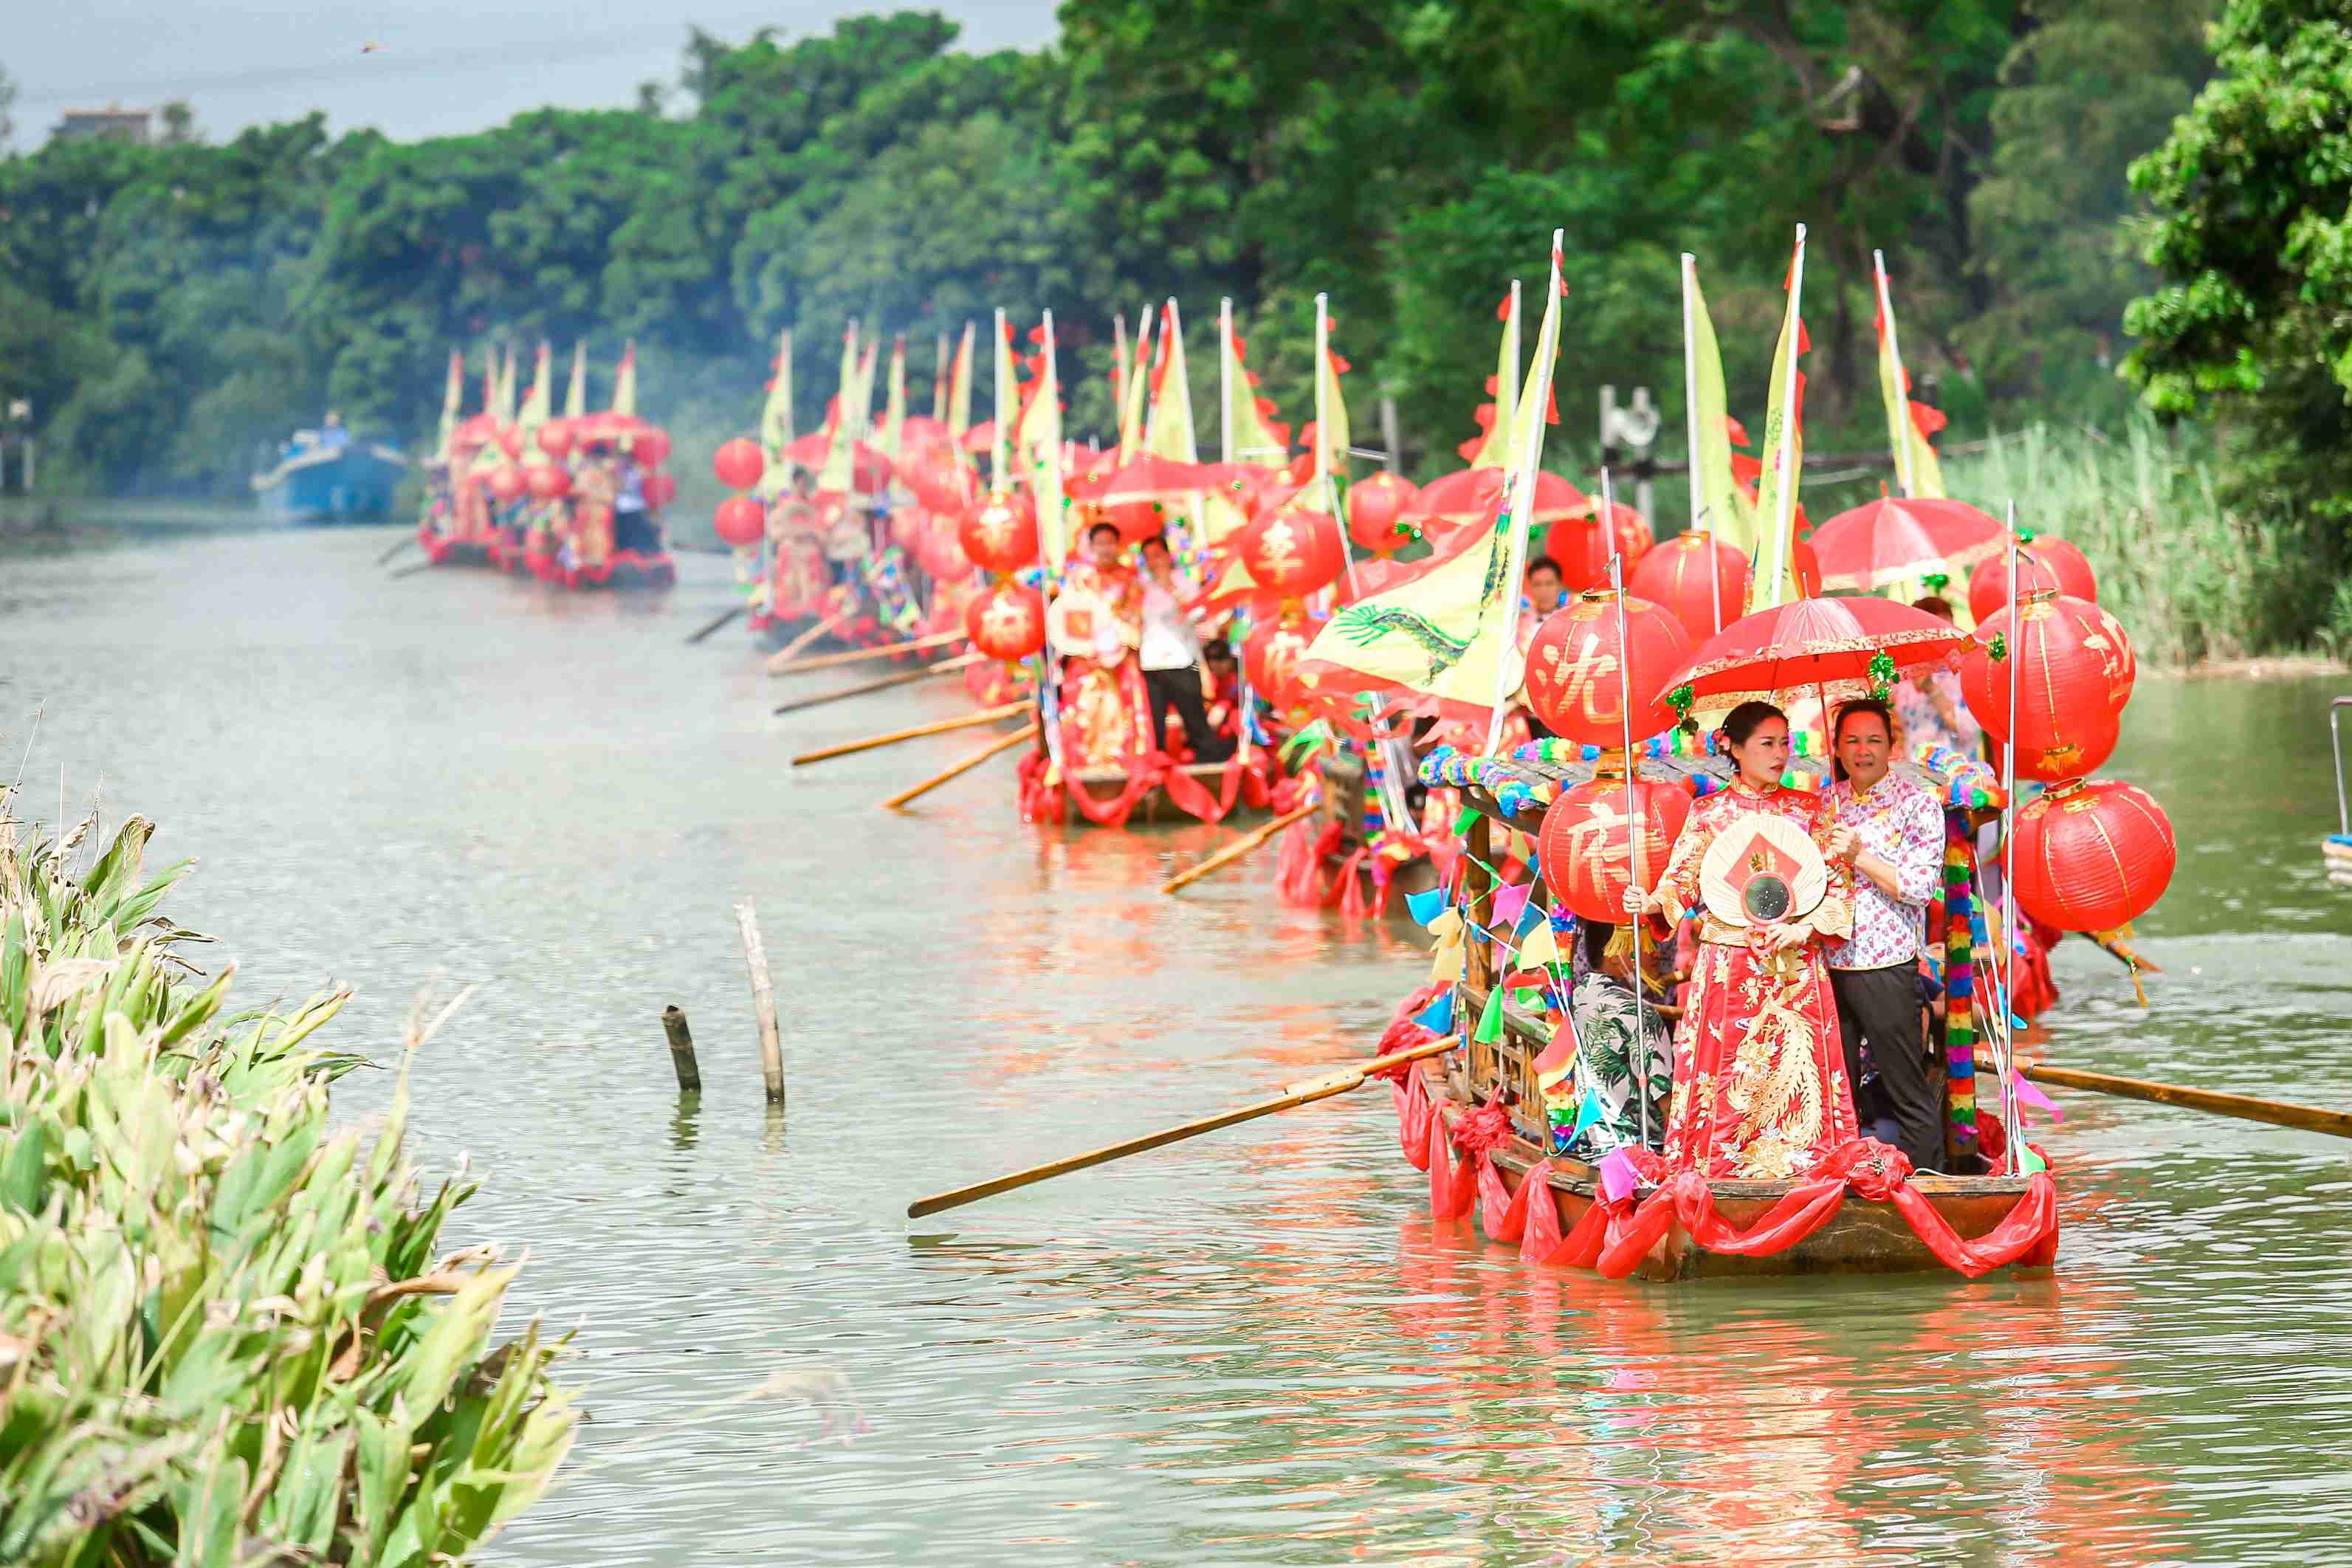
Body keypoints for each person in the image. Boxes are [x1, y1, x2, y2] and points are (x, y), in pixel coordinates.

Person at [1627, 701, 1860, 1180]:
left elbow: (1838, 889)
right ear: (1733, 748)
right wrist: (1651, 901)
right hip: (1728, 964)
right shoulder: (1708, 814)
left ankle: (1804, 1166)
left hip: (1793, 958)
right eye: (1767, 744)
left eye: (1785, 742)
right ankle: (1718, 1169)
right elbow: (1682, 882)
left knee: (1795, 1068)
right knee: (1731, 1068)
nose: (1780, 754)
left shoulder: (1809, 811)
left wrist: (1802, 927)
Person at [1821, 698, 1949, 1172]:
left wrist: (1859, 855)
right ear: (1835, 747)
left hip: (1884, 964)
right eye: (1851, 741)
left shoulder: (1917, 806)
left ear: (1891, 746)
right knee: (1838, 1090)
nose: (1862, 751)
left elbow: (1918, 888)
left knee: (1905, 1087)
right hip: (1828, 963)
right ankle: (1846, 1183)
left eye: (1873, 740)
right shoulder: (1826, 804)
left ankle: (1930, 1184)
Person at [1541, 918, 1672, 1157]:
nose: (1654, 952)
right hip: (1637, 1151)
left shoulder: (1571, 1002)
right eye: (1642, 943)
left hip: (1583, 1145)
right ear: (1613, 953)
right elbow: (1666, 1101)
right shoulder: (1638, 1013)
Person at [1053, 522, 1154, 768]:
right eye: (1100, 543)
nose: (1106, 549)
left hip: (1120, 658)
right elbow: (1070, 617)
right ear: (1091, 546)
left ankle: (1123, 760)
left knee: (1122, 710)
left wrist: (1118, 646)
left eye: (1110, 543)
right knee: (1086, 709)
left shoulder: (1130, 579)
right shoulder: (1078, 578)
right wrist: (1085, 649)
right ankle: (1085, 761)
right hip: (1086, 660)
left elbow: (1136, 616)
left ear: (1118, 546)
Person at [1136, 536, 1233, 761]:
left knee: (1195, 721)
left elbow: (1197, 615)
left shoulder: (1186, 583)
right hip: (1151, 663)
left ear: (1168, 556)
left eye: (1157, 555)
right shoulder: (1142, 587)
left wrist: (1170, 587)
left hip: (1181, 660)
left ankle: (1209, 767)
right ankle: (1157, 772)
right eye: (1148, 558)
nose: (1153, 562)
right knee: (1154, 724)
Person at [1894, 596, 1983, 757]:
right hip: (1913, 772)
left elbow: (1968, 729)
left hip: (1958, 771)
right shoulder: (1902, 676)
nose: (1948, 638)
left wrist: (1932, 690)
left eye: (1951, 629)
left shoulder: (1965, 674)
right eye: (1939, 632)